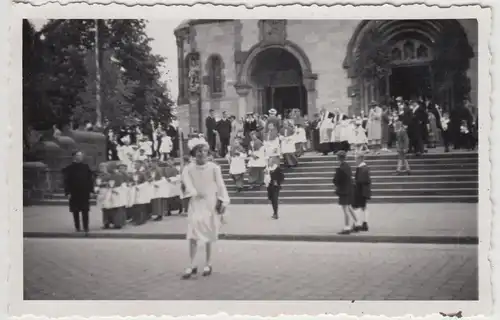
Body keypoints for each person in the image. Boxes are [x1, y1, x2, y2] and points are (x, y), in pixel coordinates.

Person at [181, 142, 230, 279]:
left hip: (210, 202)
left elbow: (220, 184)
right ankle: (192, 264)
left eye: (204, 151)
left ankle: (208, 263)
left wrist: (223, 201)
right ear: (194, 153)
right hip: (196, 202)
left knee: (209, 232)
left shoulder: (214, 168)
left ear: (208, 154)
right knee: (193, 233)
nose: (201, 153)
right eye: (198, 151)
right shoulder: (188, 168)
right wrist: (193, 192)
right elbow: (186, 182)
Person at [62, 151, 94, 235]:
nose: (80, 157)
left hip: (84, 192)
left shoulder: (86, 167)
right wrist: (67, 192)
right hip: (74, 192)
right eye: (78, 155)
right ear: (74, 157)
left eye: (81, 155)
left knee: (85, 210)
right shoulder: (69, 168)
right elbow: (66, 181)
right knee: (75, 211)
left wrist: (91, 190)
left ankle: (86, 227)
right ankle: (77, 227)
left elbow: (90, 180)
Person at [333, 151, 361, 234]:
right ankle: (357, 223)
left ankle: (347, 227)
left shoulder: (340, 169)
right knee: (349, 207)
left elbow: (336, 180)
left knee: (345, 209)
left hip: (343, 191)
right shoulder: (347, 166)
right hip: (349, 189)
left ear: (338, 158)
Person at [352, 152, 371, 232]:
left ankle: (357, 224)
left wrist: (353, 181)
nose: (355, 161)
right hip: (364, 191)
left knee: (356, 207)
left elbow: (360, 181)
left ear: (360, 159)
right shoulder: (364, 167)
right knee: (364, 207)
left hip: (360, 191)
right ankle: (365, 223)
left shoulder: (362, 168)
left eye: (355, 159)